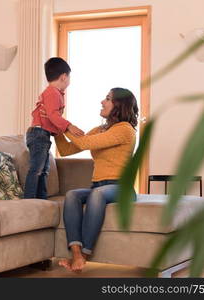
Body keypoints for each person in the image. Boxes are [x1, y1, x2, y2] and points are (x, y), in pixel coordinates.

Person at [55, 87, 139, 272]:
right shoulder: (100, 129)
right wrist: (57, 129)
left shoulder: (125, 130)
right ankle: (75, 253)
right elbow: (67, 150)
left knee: (97, 194)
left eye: (107, 98)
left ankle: (84, 255)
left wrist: (64, 124)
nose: (102, 101)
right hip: (99, 187)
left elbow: (85, 143)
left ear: (119, 105)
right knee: (72, 195)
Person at [24, 57, 84, 199]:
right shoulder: (53, 93)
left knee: (43, 170)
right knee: (37, 169)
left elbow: (51, 117)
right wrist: (69, 126)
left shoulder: (53, 92)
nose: (69, 81)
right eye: (69, 77)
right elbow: (52, 115)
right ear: (64, 77)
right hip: (39, 133)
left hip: (42, 134)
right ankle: (29, 200)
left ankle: (41, 199)